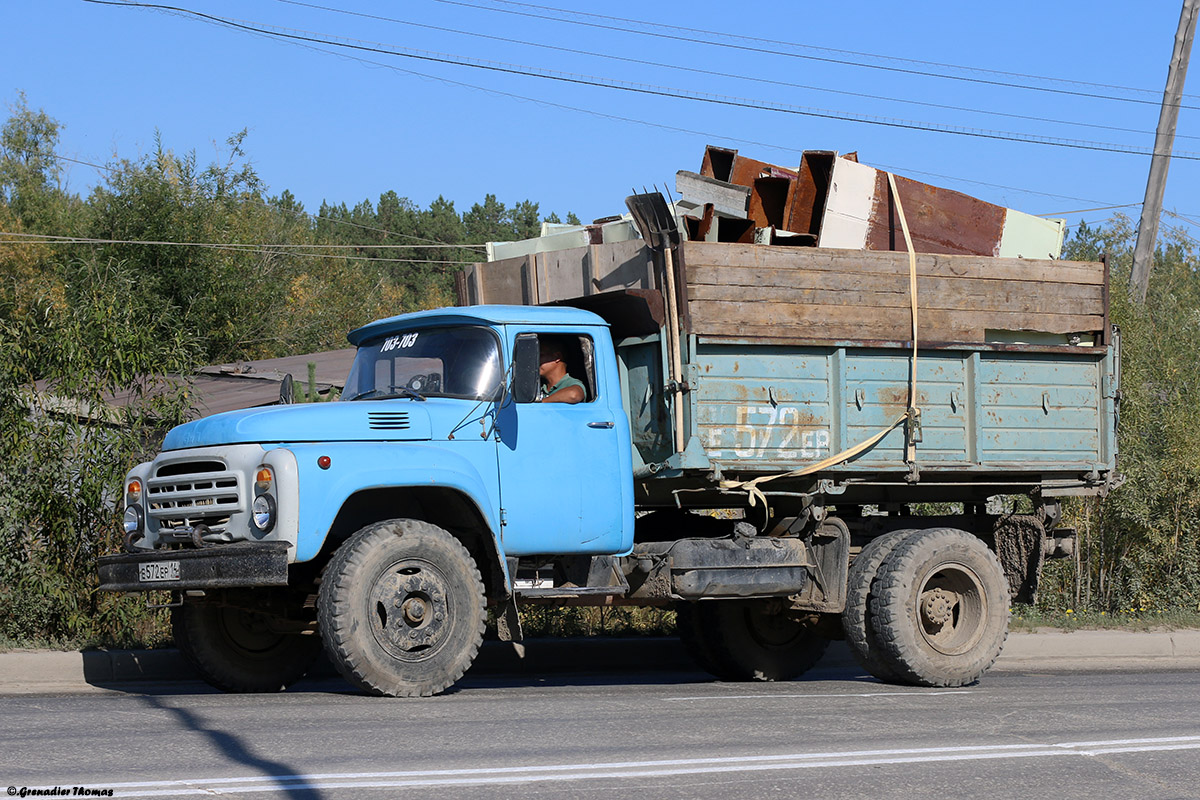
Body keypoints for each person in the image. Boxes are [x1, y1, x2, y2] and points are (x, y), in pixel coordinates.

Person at [538, 337, 586, 404]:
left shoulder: (570, 383)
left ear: (557, 357)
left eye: (540, 355)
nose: (536, 361)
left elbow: (574, 395)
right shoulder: (540, 387)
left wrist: (543, 402)